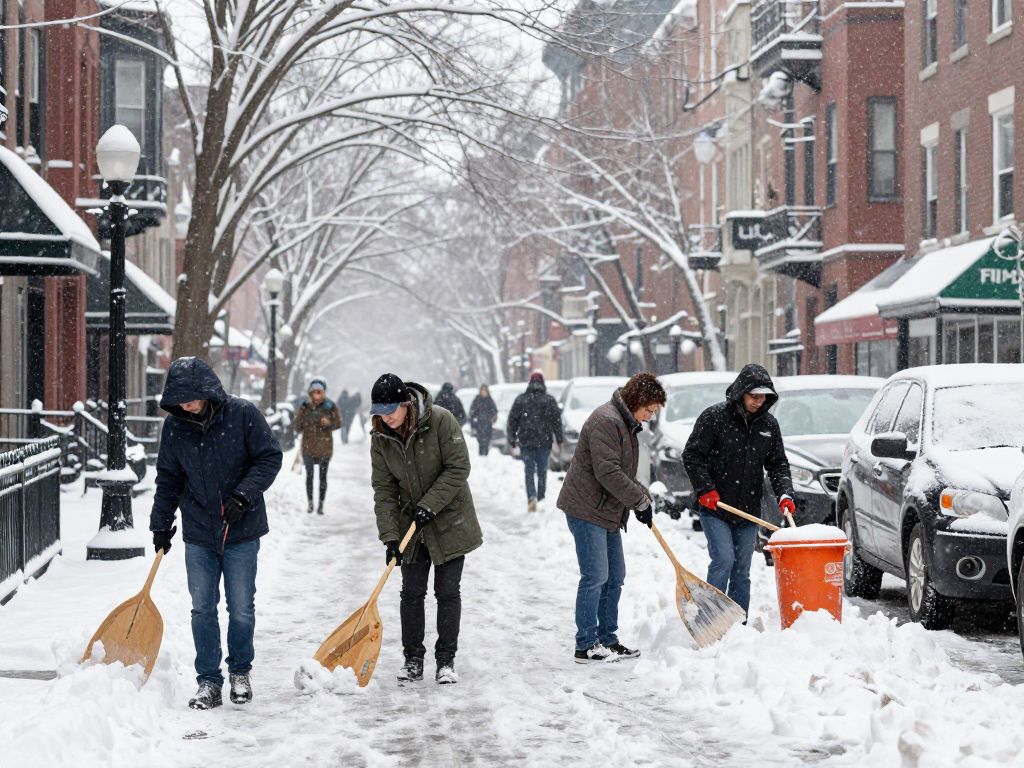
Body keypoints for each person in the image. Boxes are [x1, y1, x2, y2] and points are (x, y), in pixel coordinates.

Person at [149, 357, 283, 710]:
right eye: (179, 399)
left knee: (240, 608)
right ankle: (208, 681)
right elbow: (168, 478)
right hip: (198, 532)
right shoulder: (176, 427)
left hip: (241, 529)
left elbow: (269, 457)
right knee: (202, 609)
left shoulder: (242, 415)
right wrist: (160, 523)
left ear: (206, 390)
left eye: (191, 397)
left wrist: (243, 494)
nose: (185, 405)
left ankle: (240, 671)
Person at [368, 373, 483, 684]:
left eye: (391, 410)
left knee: (447, 592)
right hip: (411, 527)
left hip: (450, 521)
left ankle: (446, 661)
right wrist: (391, 537)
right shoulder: (380, 438)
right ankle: (412, 660)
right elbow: (384, 490)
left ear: (407, 404)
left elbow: (459, 467)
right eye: (380, 411)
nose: (386, 417)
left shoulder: (441, 421)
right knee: (412, 593)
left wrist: (430, 504)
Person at [556, 372, 665, 663]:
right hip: (586, 507)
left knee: (615, 577)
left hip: (606, 509)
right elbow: (608, 472)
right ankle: (586, 644)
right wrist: (638, 500)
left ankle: (607, 638)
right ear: (637, 401)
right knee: (595, 576)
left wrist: (642, 494)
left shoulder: (624, 422)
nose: (649, 417)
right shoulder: (607, 420)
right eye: (649, 410)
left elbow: (621, 471)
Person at [682, 363, 794, 617]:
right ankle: (710, 617)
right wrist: (705, 489)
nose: (758, 401)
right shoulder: (714, 418)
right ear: (741, 392)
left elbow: (777, 464)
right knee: (723, 560)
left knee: (742, 569)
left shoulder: (768, 425)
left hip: (747, 509)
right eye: (754, 396)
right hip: (716, 507)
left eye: (763, 396)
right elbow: (692, 455)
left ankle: (737, 622)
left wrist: (785, 494)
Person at [507, 372, 563, 512]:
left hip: (526, 441)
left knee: (529, 471)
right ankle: (541, 498)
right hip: (544, 441)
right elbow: (556, 421)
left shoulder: (521, 399)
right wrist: (559, 438)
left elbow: (512, 420)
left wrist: (512, 438)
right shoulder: (549, 400)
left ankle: (531, 496)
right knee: (542, 471)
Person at [293, 378, 342, 515]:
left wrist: (329, 422)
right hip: (308, 447)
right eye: (314, 392)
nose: (317, 395)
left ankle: (320, 504)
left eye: (319, 392)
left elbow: (338, 423)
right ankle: (310, 503)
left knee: (322, 477)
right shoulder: (305, 406)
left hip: (325, 448)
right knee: (309, 476)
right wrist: (302, 422)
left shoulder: (330, 406)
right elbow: (297, 426)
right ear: (310, 393)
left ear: (324, 392)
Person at [468, 384, 498, 456]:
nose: (484, 392)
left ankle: (485, 454)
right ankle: (481, 454)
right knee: (480, 440)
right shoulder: (477, 399)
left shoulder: (490, 400)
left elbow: (494, 411)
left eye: (485, 391)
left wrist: (493, 418)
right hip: (479, 423)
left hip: (487, 423)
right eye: (482, 390)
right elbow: (472, 411)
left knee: (486, 440)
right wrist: (473, 419)